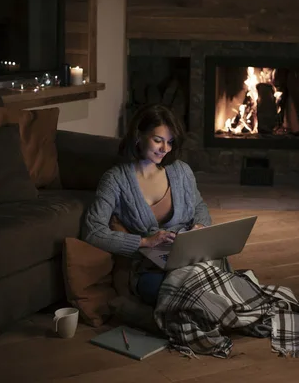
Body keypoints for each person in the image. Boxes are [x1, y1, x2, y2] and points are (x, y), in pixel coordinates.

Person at [82, 104, 210, 306]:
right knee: (184, 296)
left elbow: (200, 207)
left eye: (169, 142)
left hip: (187, 257)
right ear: (138, 136)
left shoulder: (181, 171)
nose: (165, 149)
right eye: (158, 140)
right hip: (146, 266)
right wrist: (144, 242)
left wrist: (199, 228)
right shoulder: (115, 180)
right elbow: (92, 232)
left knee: (202, 287)